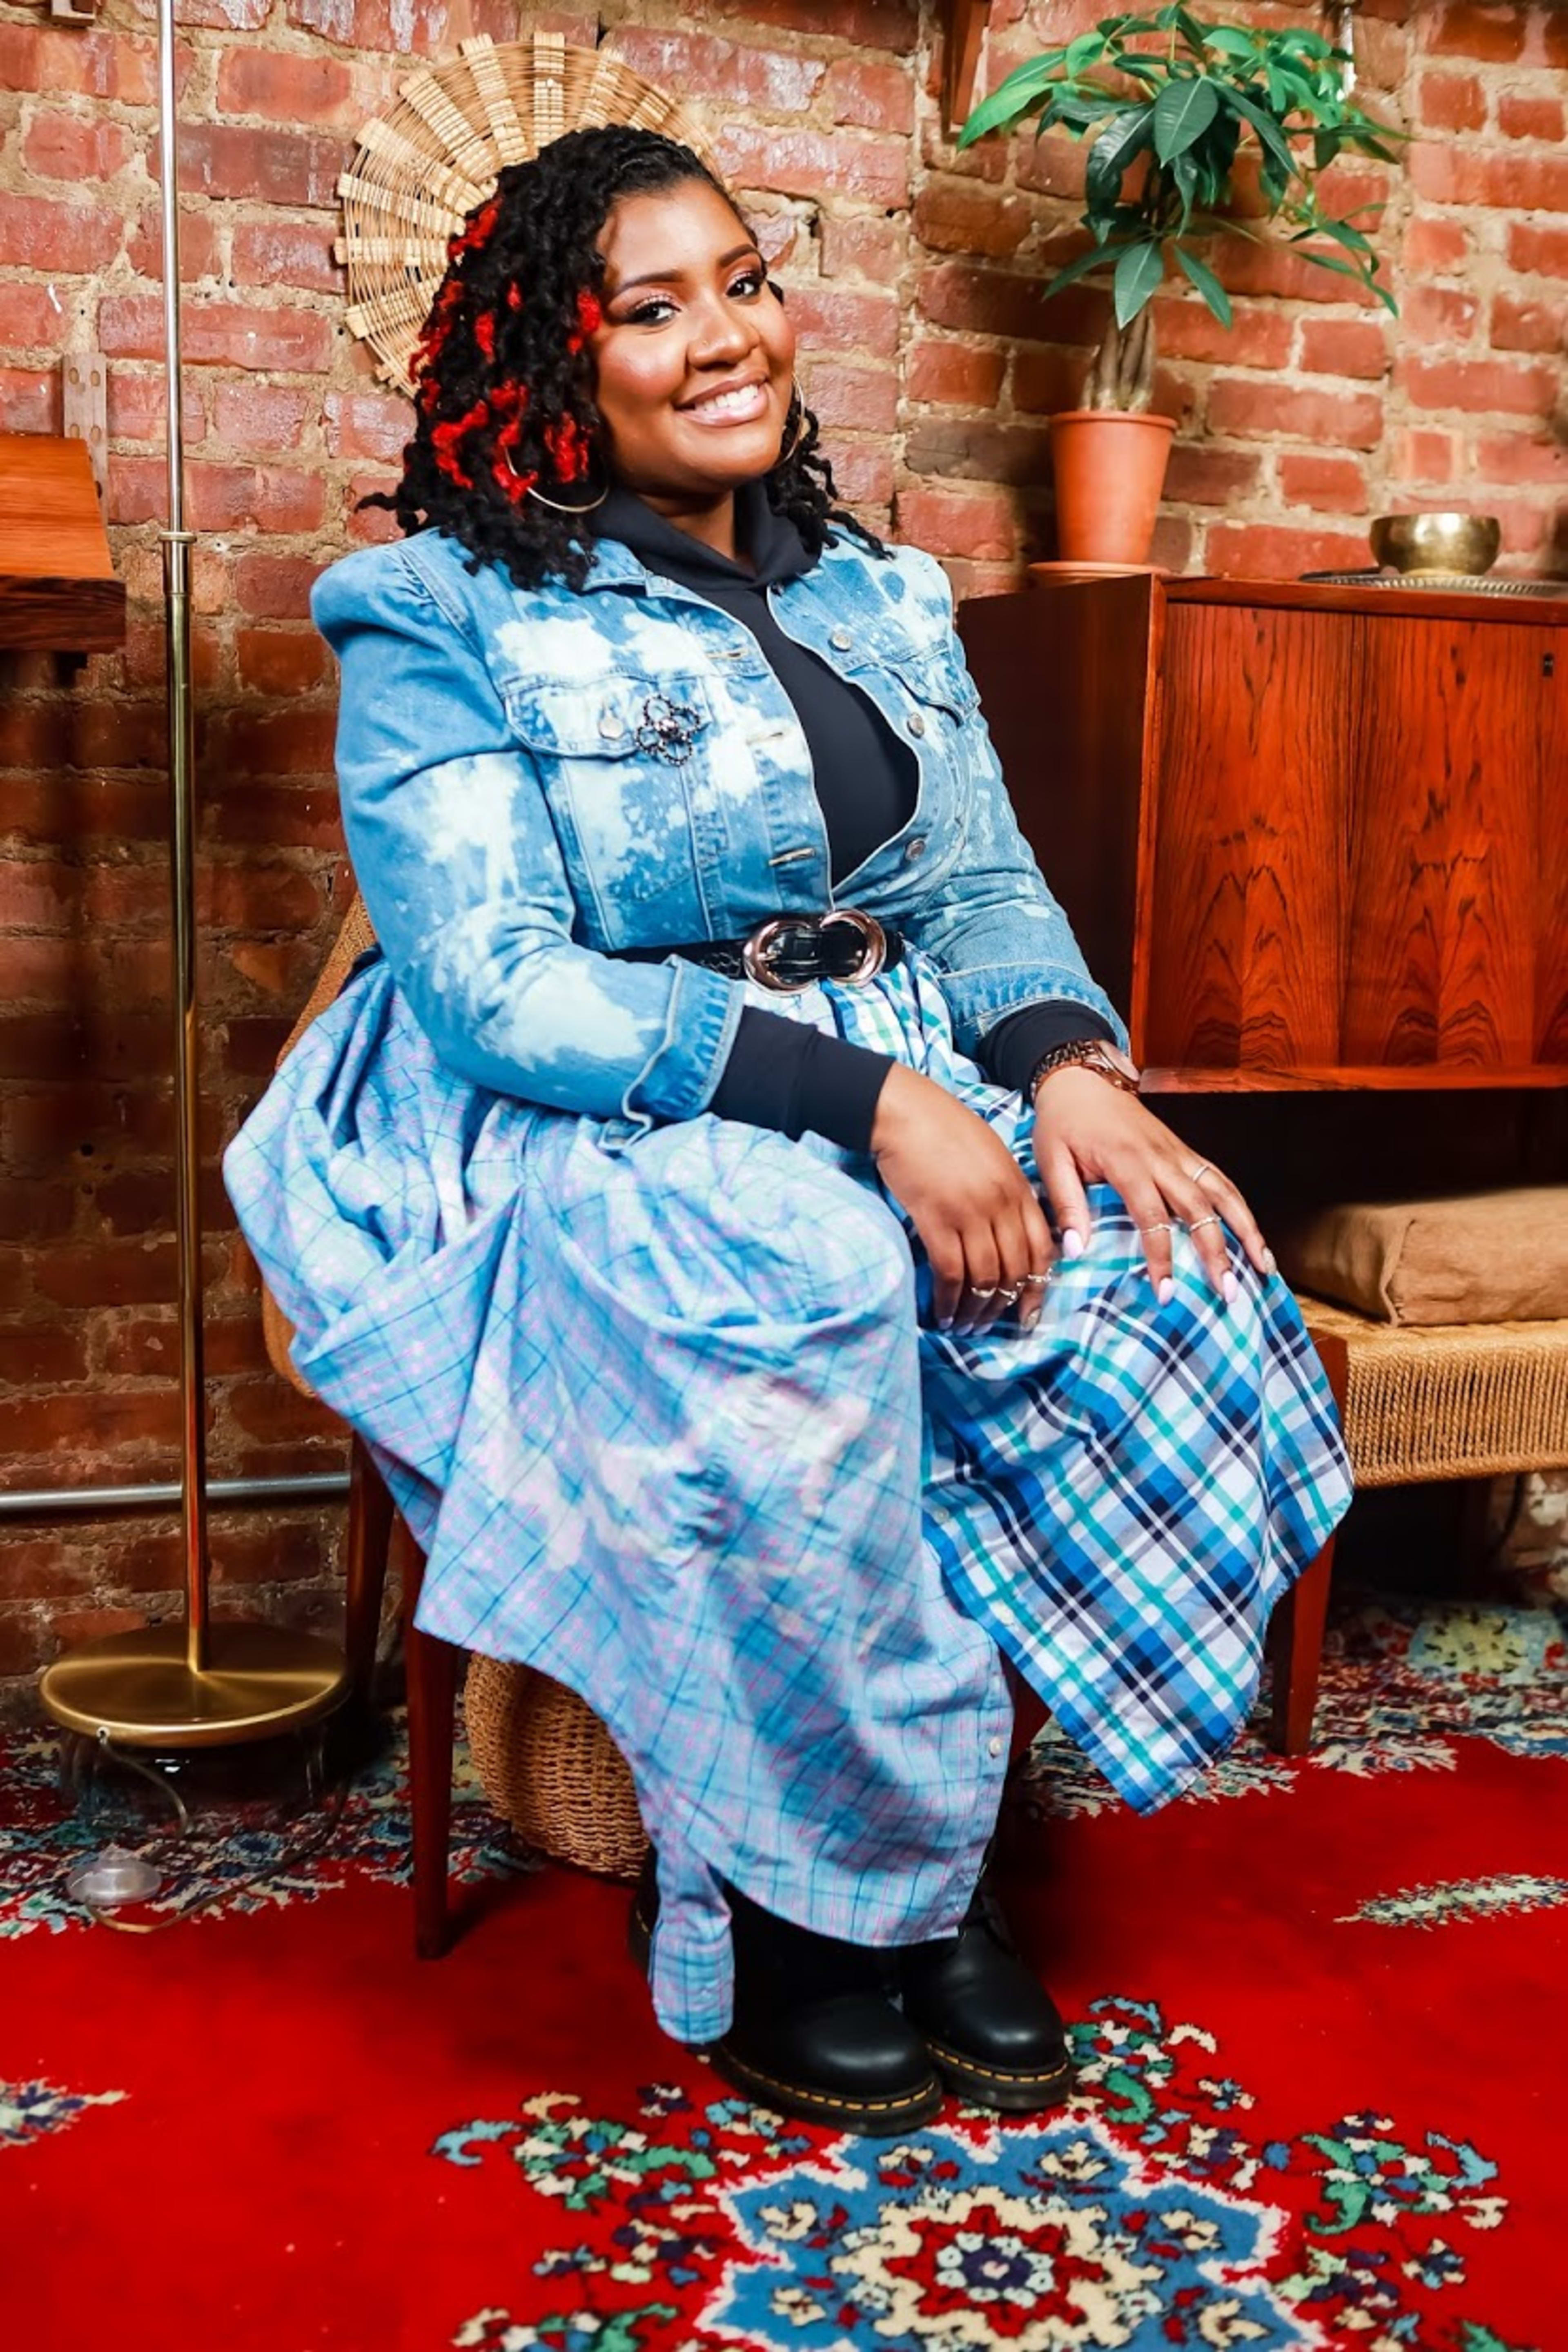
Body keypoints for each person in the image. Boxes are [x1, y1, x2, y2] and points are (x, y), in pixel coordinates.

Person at [225, 125, 1351, 2137]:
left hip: (904, 1057)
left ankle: (916, 1872)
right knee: (812, 1276)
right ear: (549, 365)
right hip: (596, 1098)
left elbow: (984, 888)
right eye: (649, 310)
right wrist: (875, 1100)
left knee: (1149, 1260)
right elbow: (499, 986)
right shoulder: (438, 608)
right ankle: (829, 1908)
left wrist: (1066, 1069)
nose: (725, 337)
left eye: (742, 279)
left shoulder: (886, 593)